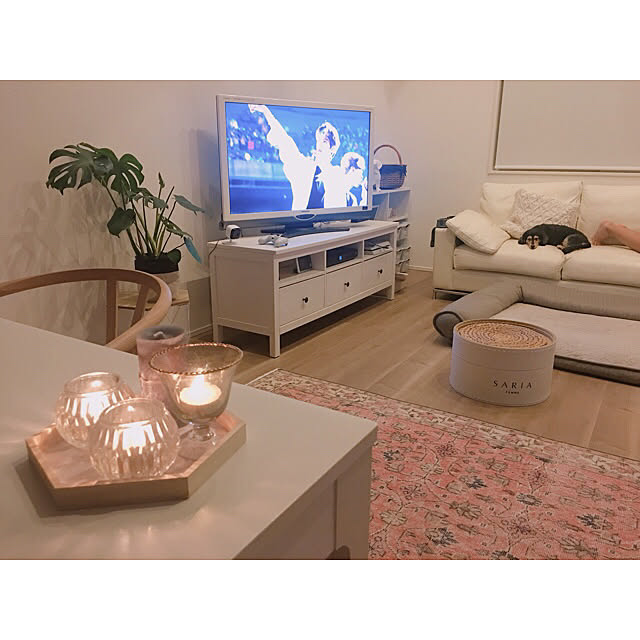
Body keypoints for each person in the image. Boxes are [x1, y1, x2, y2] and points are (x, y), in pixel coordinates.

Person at [249, 104, 346, 209]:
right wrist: (266, 112)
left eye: (325, 141)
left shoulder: (336, 175)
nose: (319, 145)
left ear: (332, 149)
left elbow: (339, 209)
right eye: (318, 140)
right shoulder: (304, 166)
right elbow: (284, 140)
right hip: (300, 219)